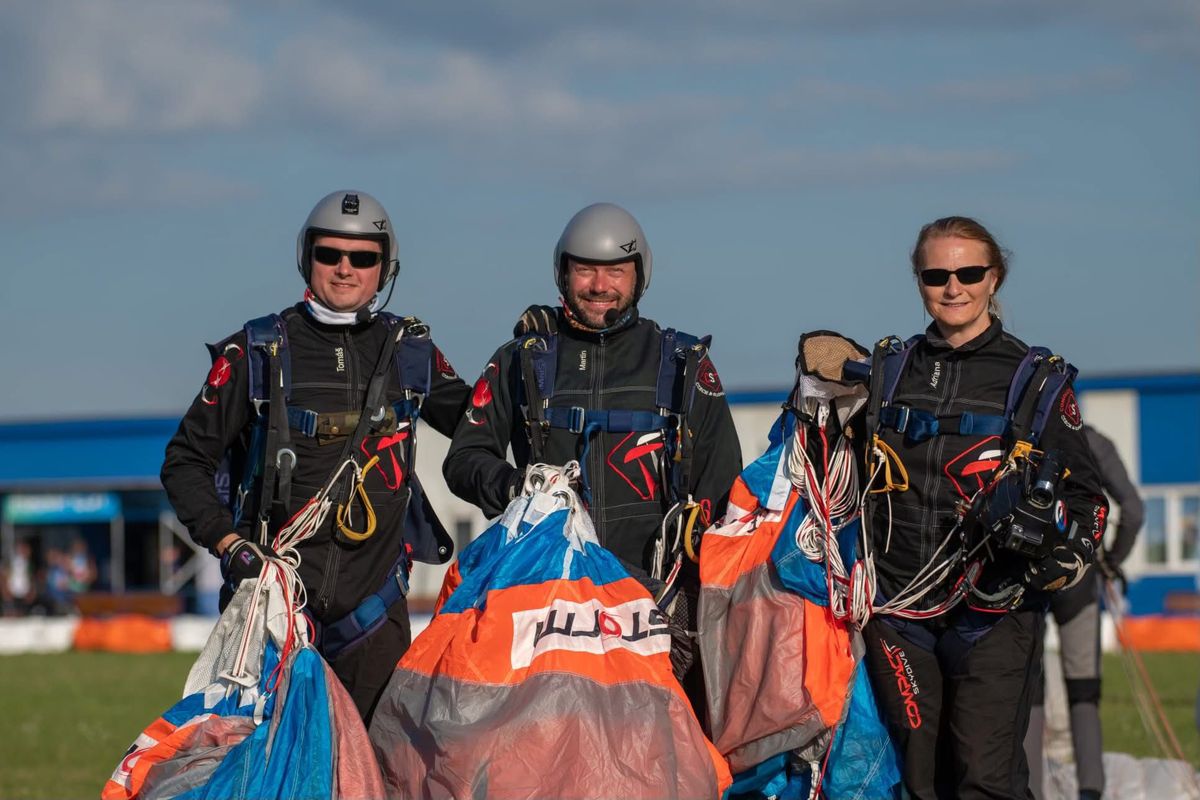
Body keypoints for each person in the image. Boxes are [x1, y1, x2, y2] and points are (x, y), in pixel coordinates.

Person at [161, 190, 469, 722]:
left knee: (375, 778)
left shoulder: (409, 353)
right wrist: (228, 543)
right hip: (273, 613)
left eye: (363, 258)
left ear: (384, 266)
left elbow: (483, 426)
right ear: (308, 259)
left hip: (374, 619)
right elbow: (185, 461)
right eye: (330, 255)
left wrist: (521, 368)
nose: (345, 269)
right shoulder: (257, 352)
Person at [442, 202, 742, 721]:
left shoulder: (683, 363)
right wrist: (520, 486)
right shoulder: (522, 360)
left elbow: (725, 491)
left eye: (615, 270)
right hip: (548, 608)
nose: (600, 285)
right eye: (585, 269)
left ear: (639, 275)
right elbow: (464, 458)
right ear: (563, 272)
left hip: (658, 607)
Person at [859, 216, 1109, 799]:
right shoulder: (890, 373)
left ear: (994, 278)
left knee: (984, 780)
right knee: (916, 781)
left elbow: (1088, 502)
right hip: (899, 612)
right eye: (937, 275)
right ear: (918, 280)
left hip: (993, 615)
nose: (953, 287)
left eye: (969, 272)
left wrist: (1061, 556)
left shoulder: (1034, 380)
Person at [1025, 423, 1143, 800]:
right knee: (1084, 691)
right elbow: (1135, 511)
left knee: (1030, 691)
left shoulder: (1020, 433)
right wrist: (1111, 560)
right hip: (1080, 575)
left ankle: (1031, 790)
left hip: (1027, 575)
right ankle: (1091, 792)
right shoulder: (1095, 442)